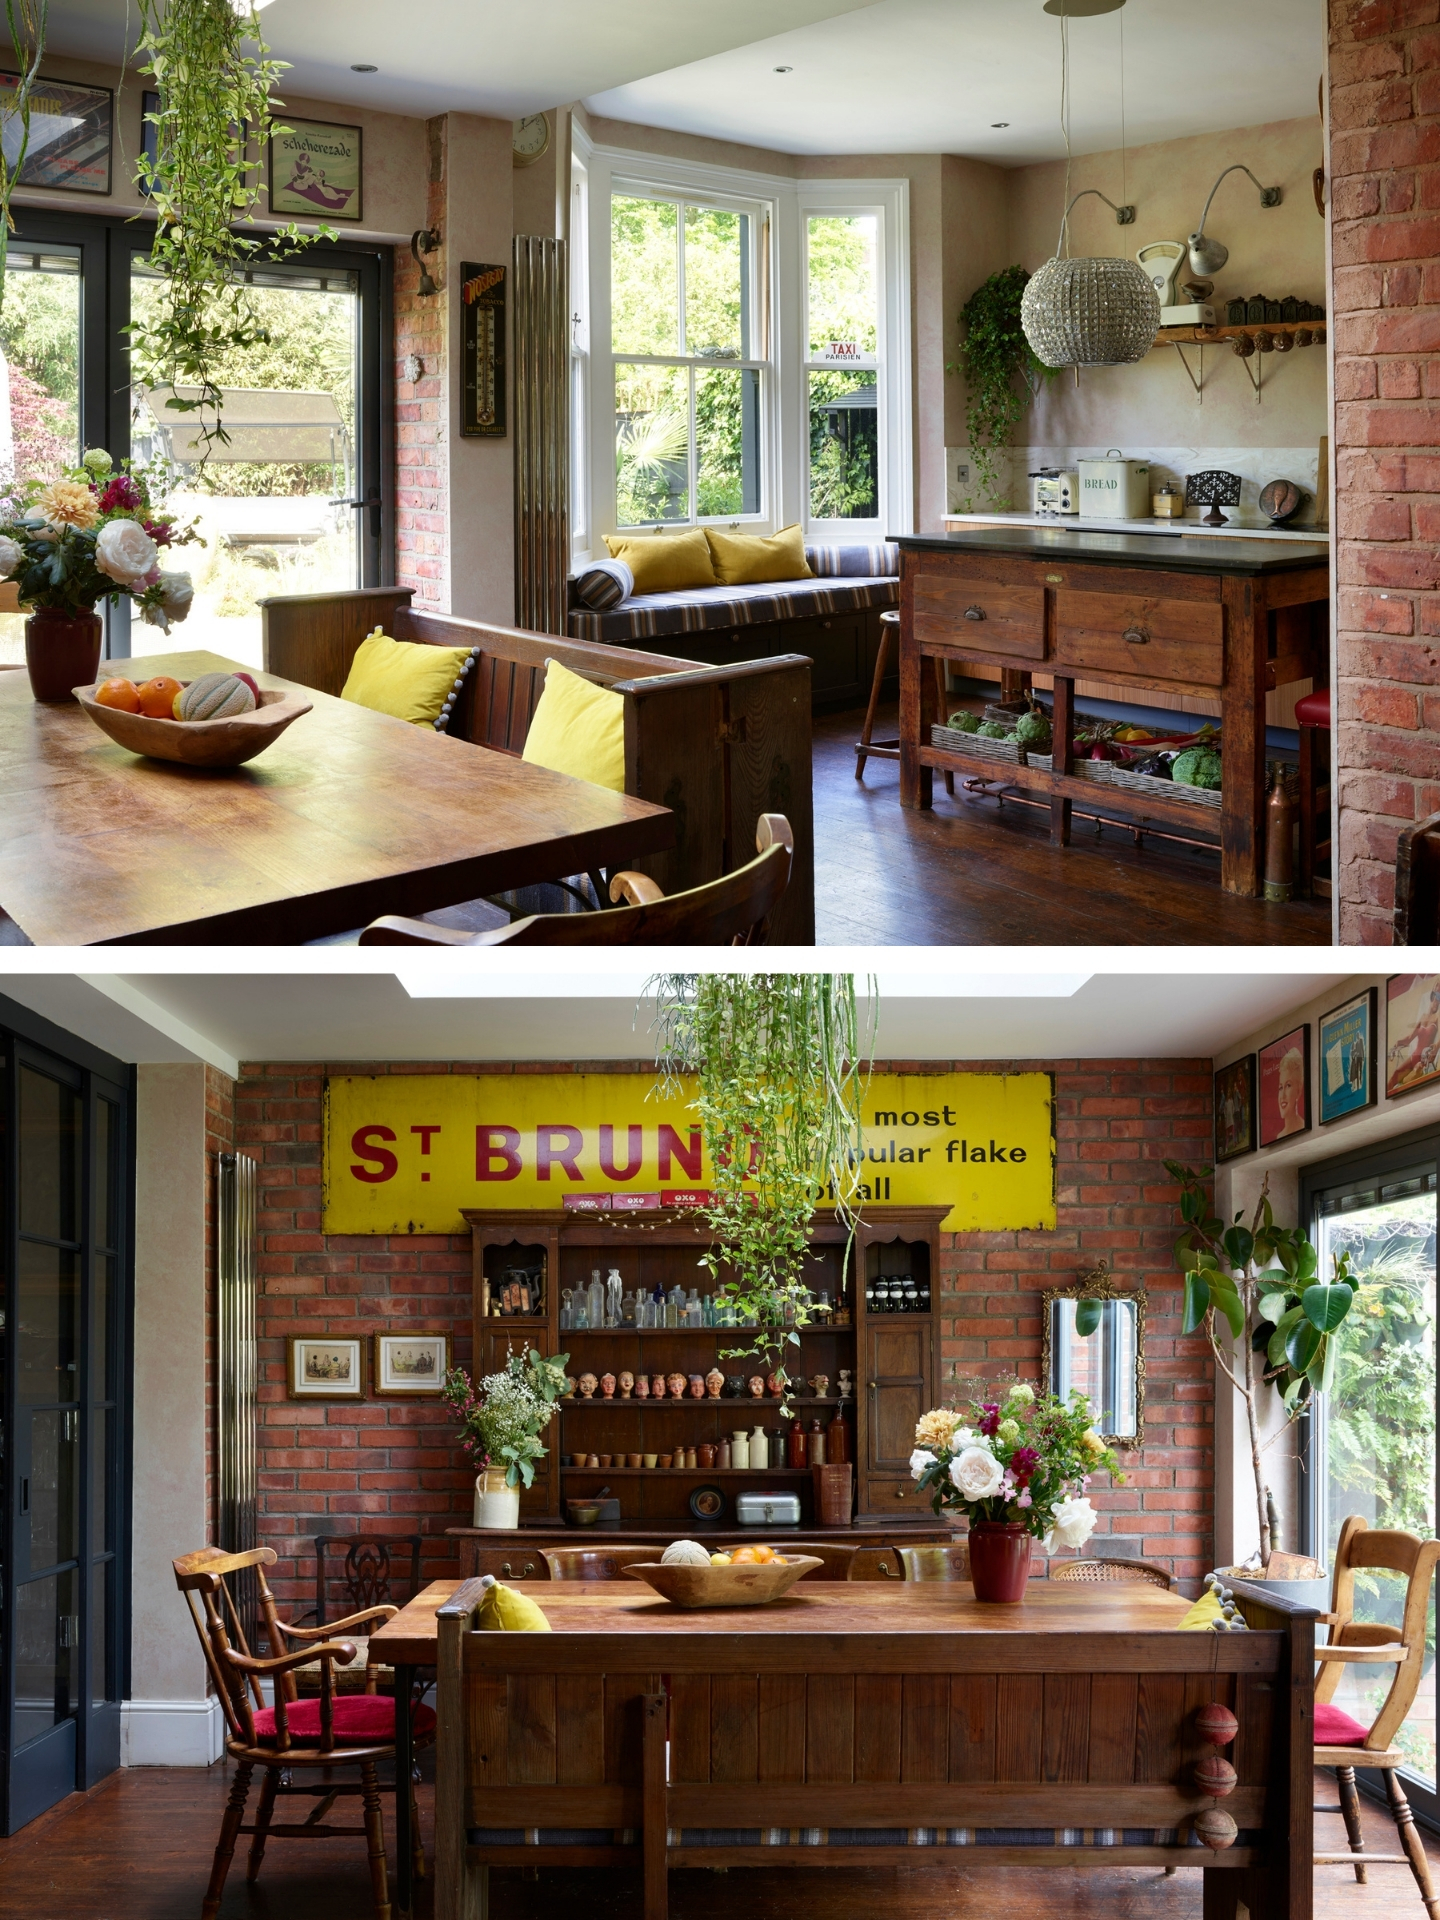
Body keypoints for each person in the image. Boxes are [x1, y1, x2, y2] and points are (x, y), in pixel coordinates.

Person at [1273, 1045, 1306, 1139]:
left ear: (1299, 1090)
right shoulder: (1279, 1137)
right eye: (1280, 1087)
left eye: (1288, 1085)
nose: (1282, 1096)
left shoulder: (1303, 1127)